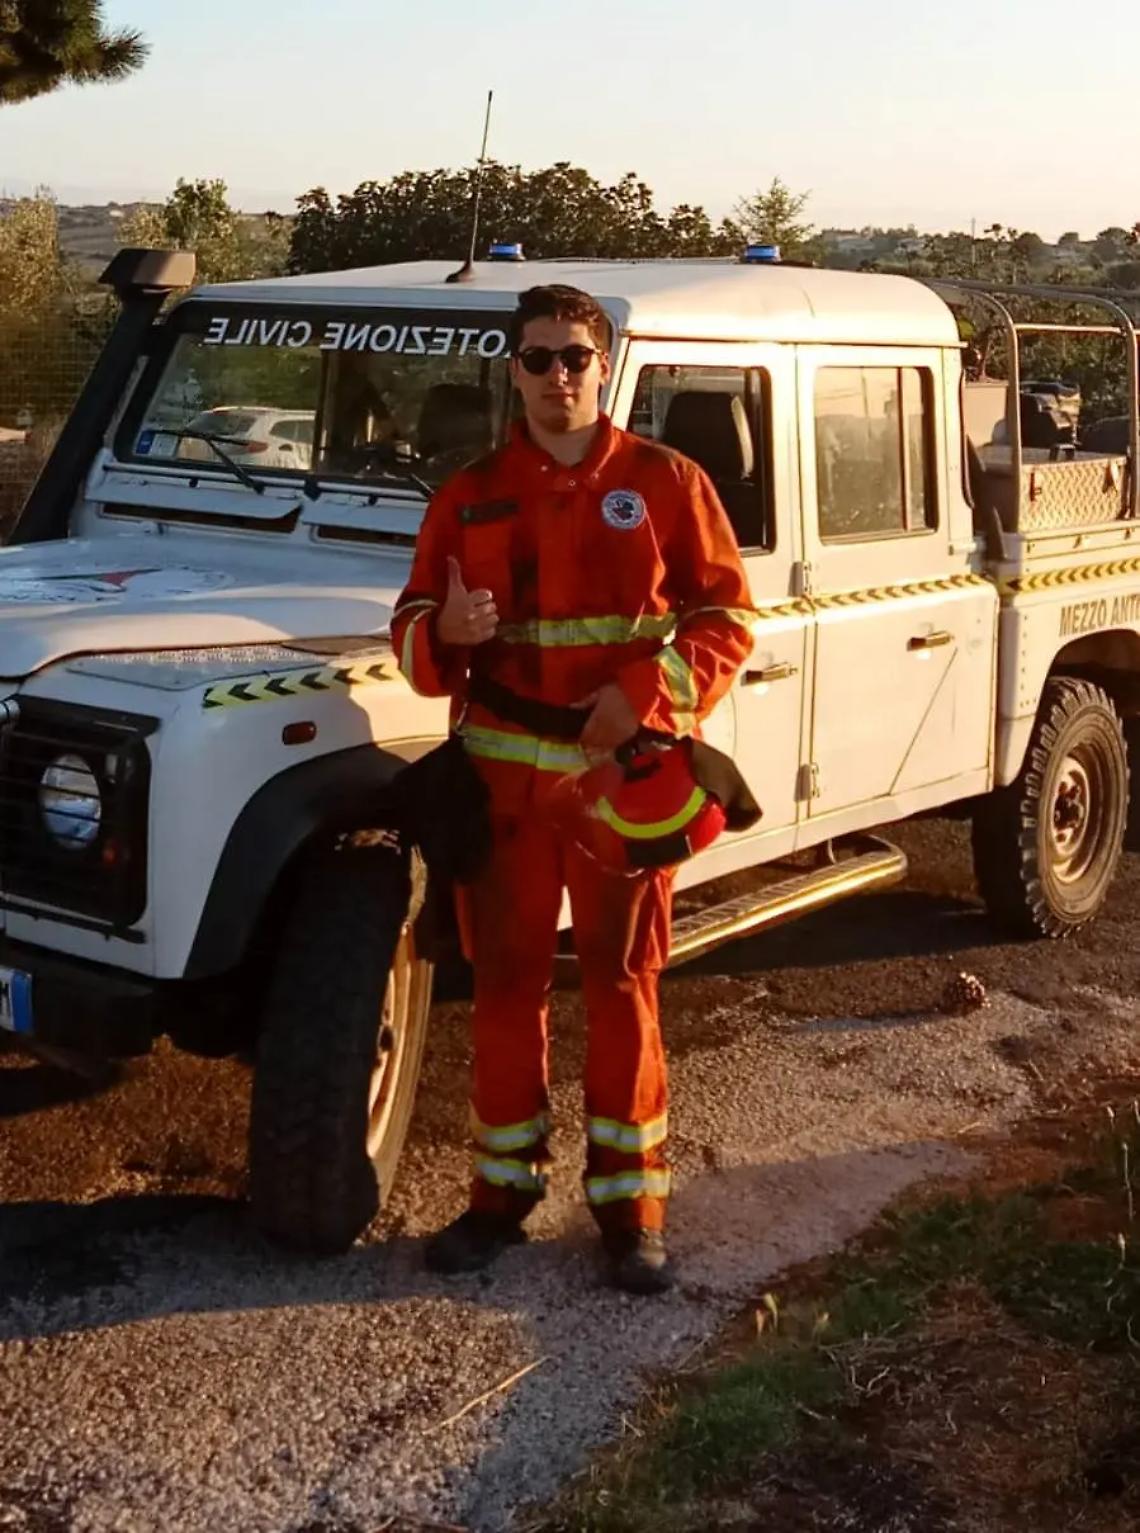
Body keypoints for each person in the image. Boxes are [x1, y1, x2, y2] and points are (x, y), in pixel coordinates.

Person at [390, 284, 754, 1293]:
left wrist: (644, 696)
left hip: (618, 789)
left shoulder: (667, 482)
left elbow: (726, 623)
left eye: (576, 358)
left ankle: (631, 1212)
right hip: (503, 791)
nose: (559, 376)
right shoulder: (466, 493)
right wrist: (444, 636)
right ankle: (498, 1199)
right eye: (539, 357)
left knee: (624, 989)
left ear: (605, 365)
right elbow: (413, 630)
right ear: (513, 370)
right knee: (504, 990)